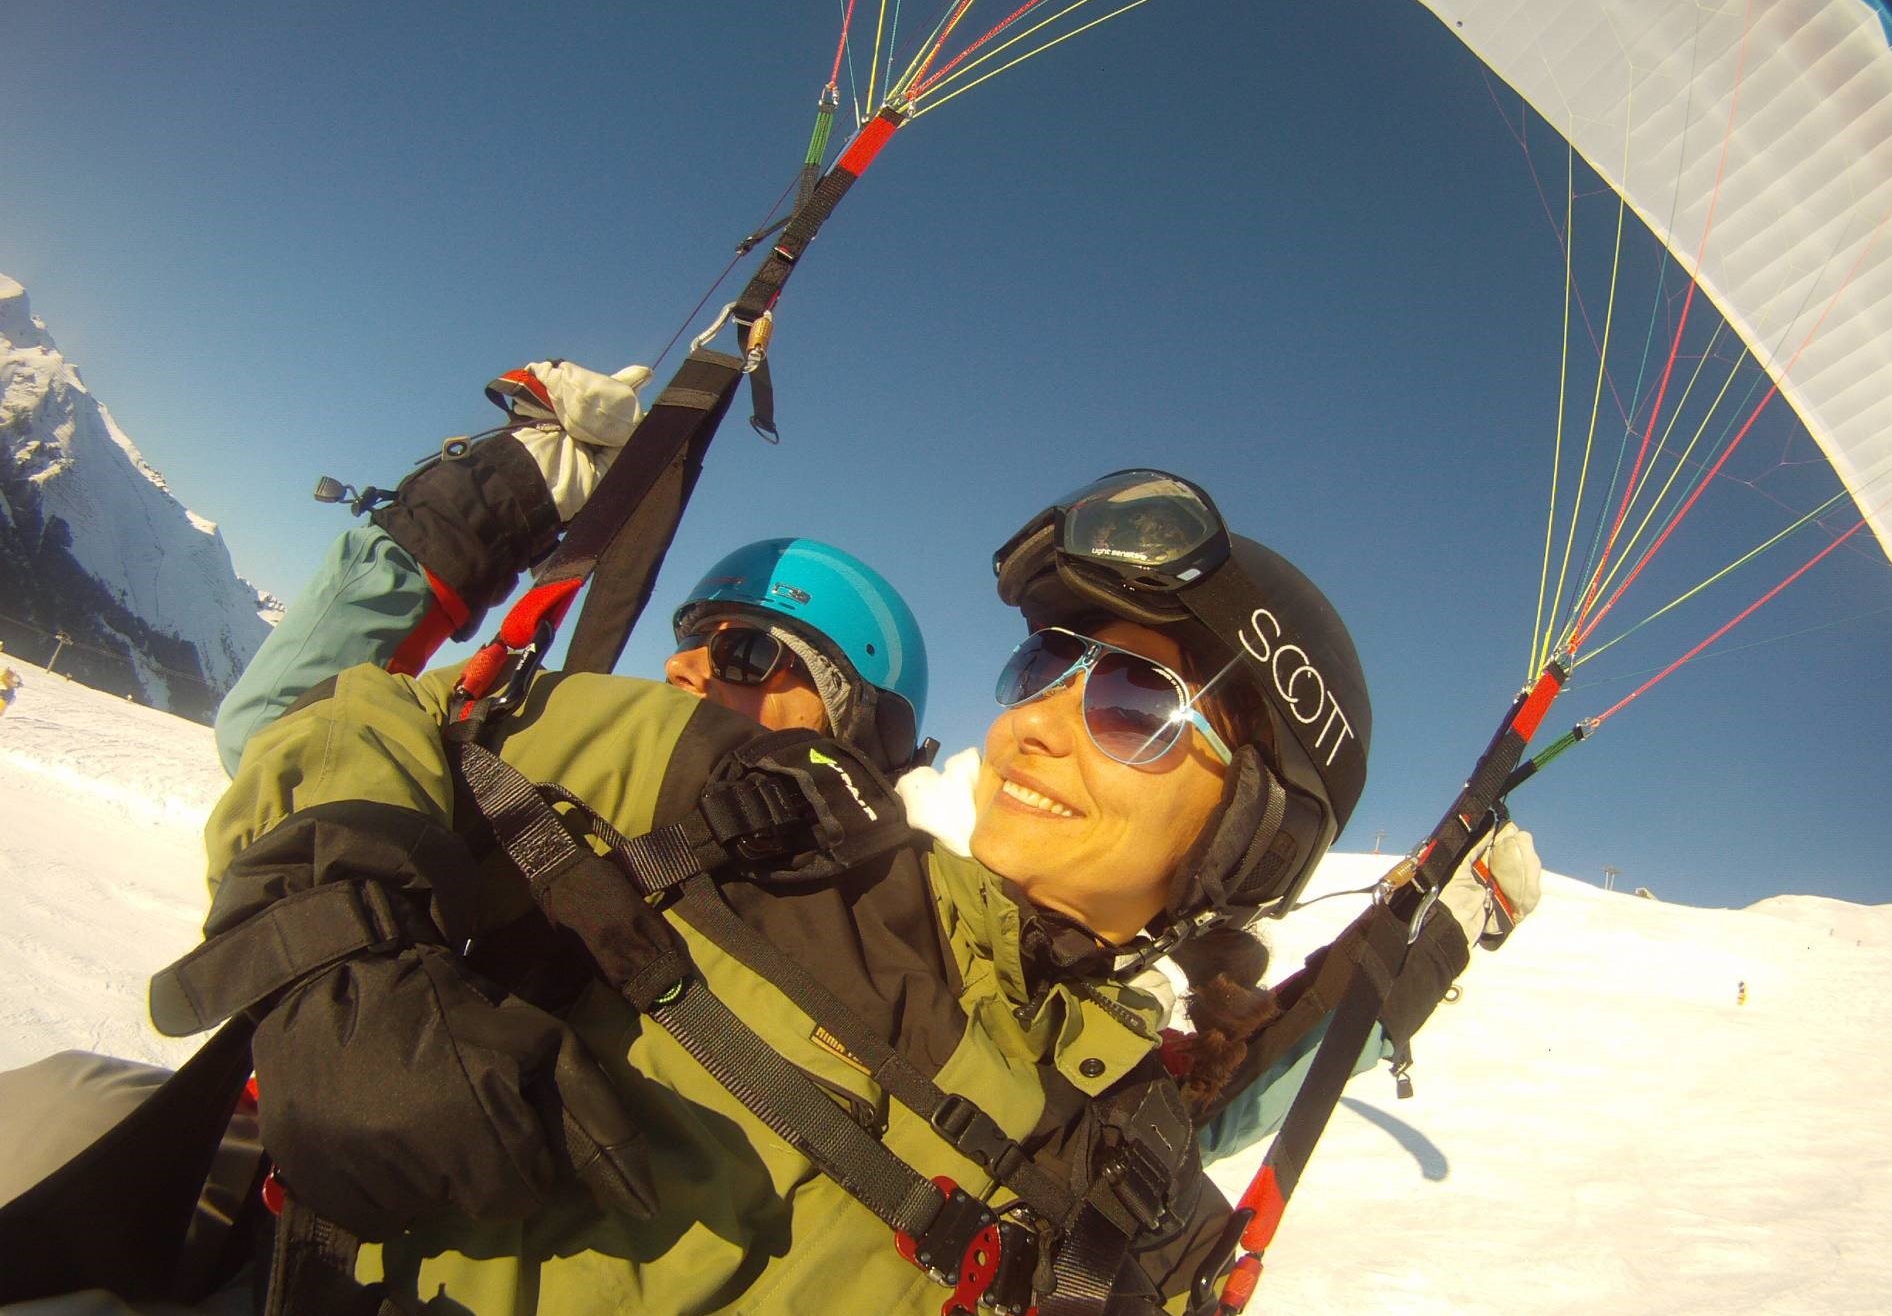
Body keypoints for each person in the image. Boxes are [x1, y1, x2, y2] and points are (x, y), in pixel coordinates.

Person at [151, 467, 1539, 1314]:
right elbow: (366, 722)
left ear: (1244, 842)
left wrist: (1431, 942)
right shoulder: (763, 816)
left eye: (1132, 697)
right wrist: (338, 969)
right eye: (1044, 672)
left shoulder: (1146, 1181)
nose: (1041, 722)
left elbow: (1253, 1074)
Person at [215, 361, 930, 777]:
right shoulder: (582, 801)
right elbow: (281, 748)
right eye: (688, 647)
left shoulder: (868, 939)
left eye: (745, 654)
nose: (682, 671)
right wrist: (475, 513)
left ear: (854, 725)